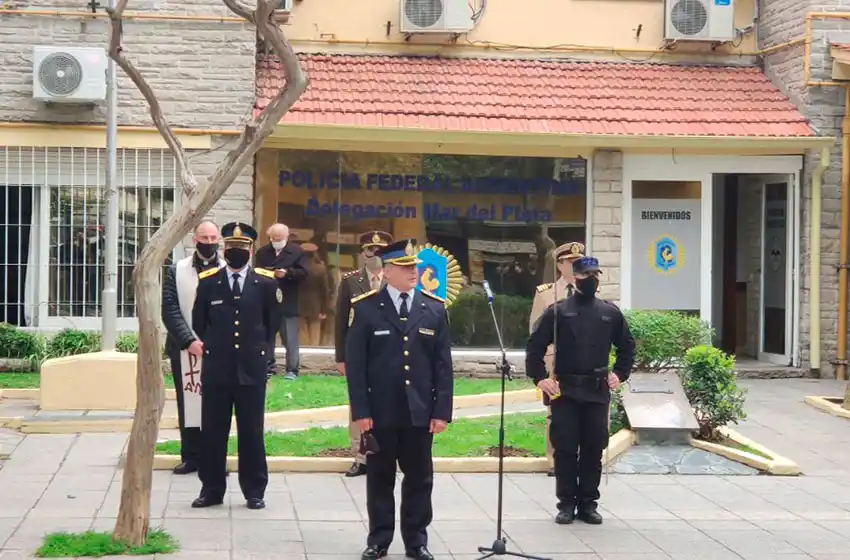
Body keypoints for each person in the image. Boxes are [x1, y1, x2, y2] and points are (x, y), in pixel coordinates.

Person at [345, 239, 454, 560]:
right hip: (380, 412)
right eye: (406, 268)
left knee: (420, 479)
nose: (414, 273)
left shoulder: (433, 309)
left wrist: (442, 412)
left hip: (420, 412)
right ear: (388, 272)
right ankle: (379, 539)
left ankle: (416, 540)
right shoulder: (365, 309)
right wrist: (361, 412)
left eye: (415, 268)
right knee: (380, 479)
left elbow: (443, 367)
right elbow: (357, 368)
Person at [525, 255, 635, 526]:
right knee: (564, 448)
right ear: (575, 278)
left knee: (593, 448)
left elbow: (627, 347)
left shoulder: (610, 312)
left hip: (596, 391)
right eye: (587, 275)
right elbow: (535, 346)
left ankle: (588, 503)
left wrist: (619, 374)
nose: (592, 280)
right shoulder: (558, 311)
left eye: (596, 274)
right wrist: (540, 378)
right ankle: (566, 504)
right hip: (566, 392)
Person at [191, 222, 282, 511]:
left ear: (251, 249)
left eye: (242, 248)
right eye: (231, 248)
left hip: (251, 370)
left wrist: (260, 354)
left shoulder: (265, 283)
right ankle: (212, 488)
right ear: (223, 249)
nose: (236, 252)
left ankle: (254, 490)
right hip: (218, 368)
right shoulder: (209, 281)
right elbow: (199, 323)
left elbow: (271, 325)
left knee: (252, 431)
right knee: (213, 431)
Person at [161, 220, 223, 475]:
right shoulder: (177, 269)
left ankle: (215, 458)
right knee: (188, 401)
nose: (208, 243)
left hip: (220, 350)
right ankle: (191, 455)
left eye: (213, 238)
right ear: (194, 239)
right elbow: (170, 308)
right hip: (185, 347)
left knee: (217, 405)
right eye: (204, 238)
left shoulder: (229, 268)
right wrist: (189, 340)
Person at [335, 230, 393, 478]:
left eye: (380, 251)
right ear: (363, 253)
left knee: (388, 400)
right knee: (358, 403)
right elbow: (340, 321)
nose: (375, 255)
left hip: (388, 351)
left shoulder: (394, 280)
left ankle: (385, 452)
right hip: (359, 352)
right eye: (370, 250)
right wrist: (340, 357)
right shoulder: (350, 281)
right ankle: (360, 456)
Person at [527, 241, 585, 477]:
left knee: (584, 411)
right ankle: (555, 460)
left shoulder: (591, 291)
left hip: (584, 363)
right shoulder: (546, 294)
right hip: (555, 363)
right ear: (560, 265)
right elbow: (535, 330)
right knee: (556, 413)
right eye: (570, 262)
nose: (575, 265)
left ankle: (581, 458)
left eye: (578, 261)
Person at [254, 223, 308, 380]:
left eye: (279, 238)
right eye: (273, 238)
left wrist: (288, 273)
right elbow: (255, 272)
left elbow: (304, 273)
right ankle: (268, 366)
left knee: (290, 338)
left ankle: (292, 369)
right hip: (268, 301)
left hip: (288, 300)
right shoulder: (263, 252)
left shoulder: (298, 252)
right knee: (267, 337)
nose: (276, 241)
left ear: (286, 237)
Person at [298, 242, 331, 347]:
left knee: (302, 334)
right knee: (315, 334)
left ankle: (304, 356)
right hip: (316, 305)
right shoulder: (320, 268)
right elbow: (324, 290)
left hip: (299, 304)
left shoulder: (296, 268)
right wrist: (324, 309)